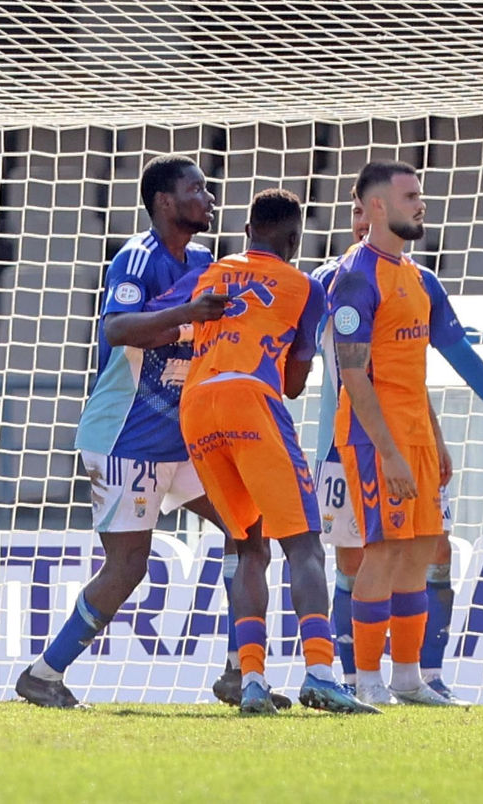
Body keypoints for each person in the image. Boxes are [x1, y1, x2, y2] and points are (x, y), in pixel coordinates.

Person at [16, 154, 251, 710]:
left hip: (181, 438)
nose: (210, 198)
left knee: (247, 524)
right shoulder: (138, 258)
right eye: (198, 189)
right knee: (129, 567)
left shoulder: (201, 258)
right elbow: (118, 328)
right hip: (127, 436)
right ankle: (42, 674)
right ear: (165, 202)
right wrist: (188, 311)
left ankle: (242, 669)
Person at [326, 160, 483, 707]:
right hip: (372, 438)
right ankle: (365, 679)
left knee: (422, 548)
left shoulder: (422, 279)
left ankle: (408, 677)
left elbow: (460, 357)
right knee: (379, 550)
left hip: (418, 437)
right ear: (377, 206)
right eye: (409, 196)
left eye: (419, 194)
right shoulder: (355, 276)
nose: (420, 204)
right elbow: (354, 376)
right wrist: (390, 452)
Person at [170, 188, 376, 715]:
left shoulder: (212, 273)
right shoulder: (305, 286)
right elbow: (293, 382)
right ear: (293, 239)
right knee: (303, 546)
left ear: (246, 233)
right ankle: (321, 673)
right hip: (249, 400)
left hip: (196, 407)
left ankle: (253, 680)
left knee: (247, 548)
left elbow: (173, 319)